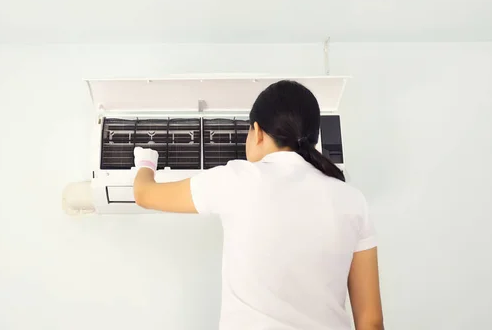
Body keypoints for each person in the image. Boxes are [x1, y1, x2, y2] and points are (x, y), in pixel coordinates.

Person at [133, 80, 384, 330]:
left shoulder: (236, 179)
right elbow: (371, 322)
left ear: (258, 131)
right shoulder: (352, 200)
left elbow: (145, 194)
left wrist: (146, 162)